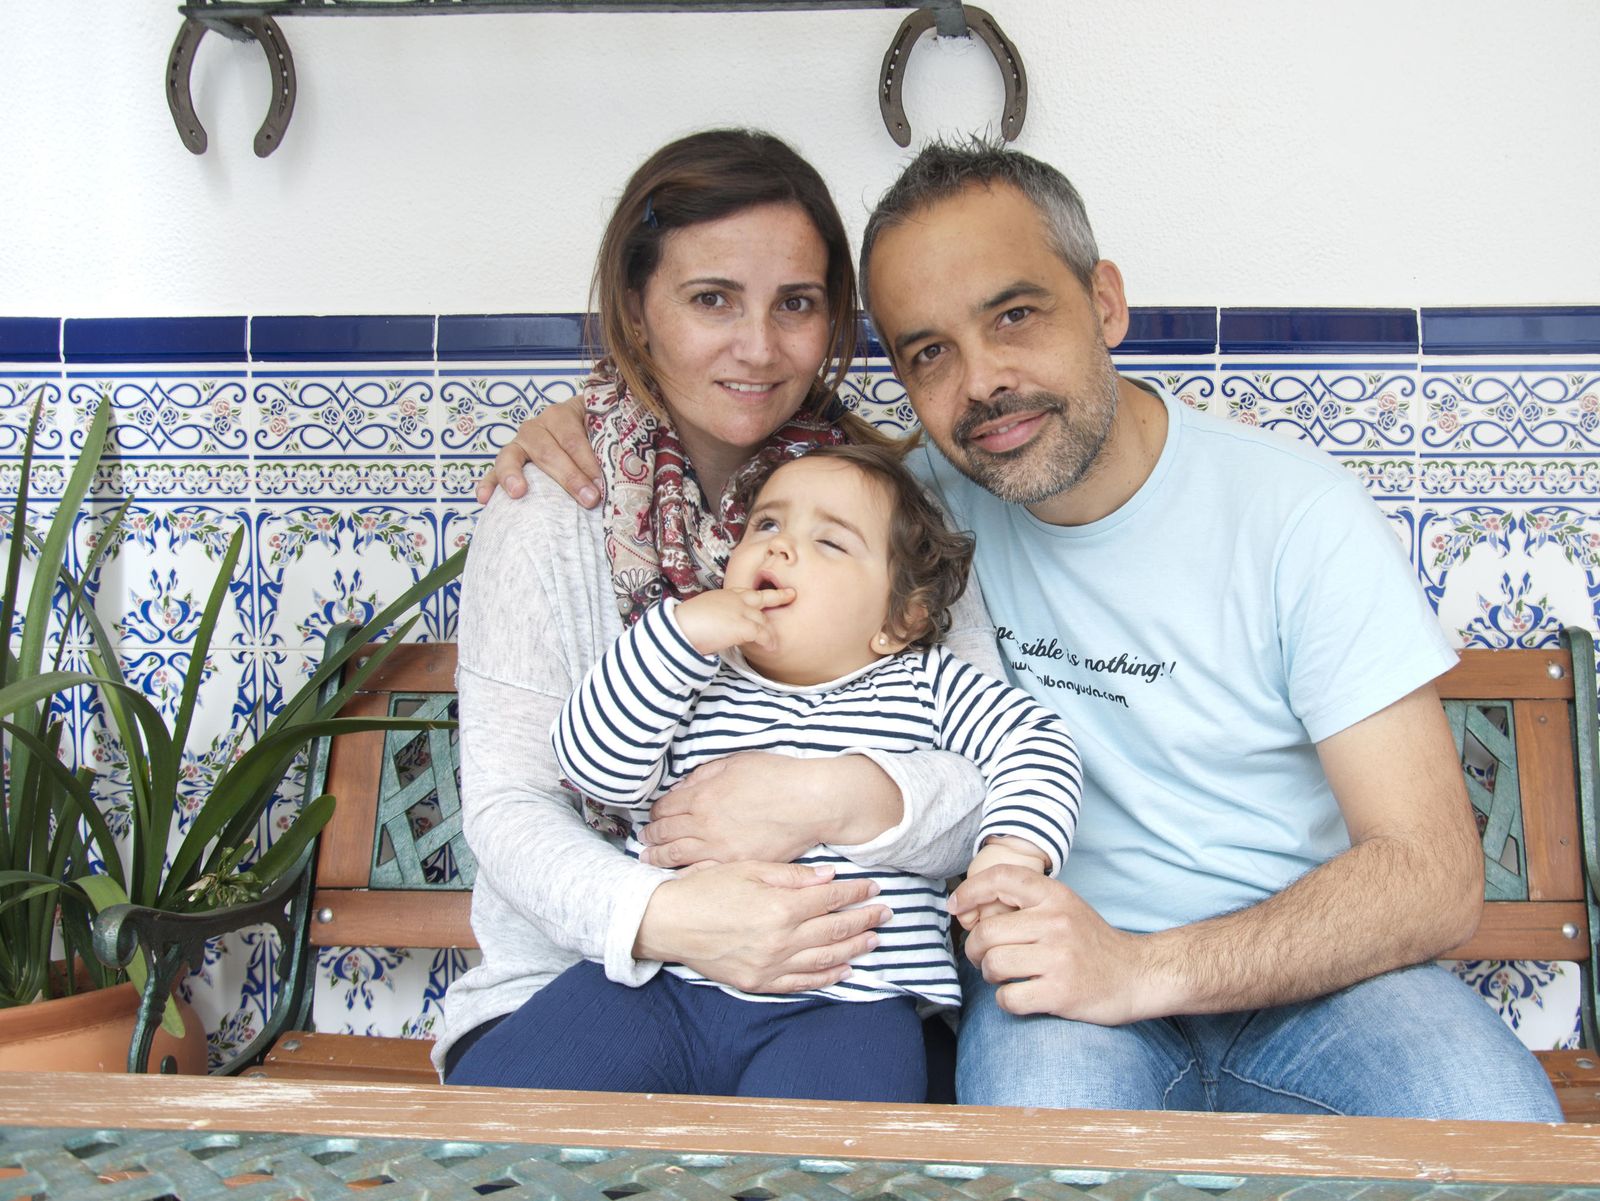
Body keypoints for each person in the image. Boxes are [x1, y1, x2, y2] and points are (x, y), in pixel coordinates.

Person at [487, 140, 1564, 1121]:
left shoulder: (1295, 512)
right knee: (1028, 1158)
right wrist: (571, 424)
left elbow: (1429, 872)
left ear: (1104, 301)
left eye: (1015, 316)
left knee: (1495, 1125)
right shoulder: (912, 518)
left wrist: (1143, 967)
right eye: (928, 353)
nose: (982, 384)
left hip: (1308, 973)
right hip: (1036, 977)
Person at [437, 129, 1008, 1092]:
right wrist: (675, 916)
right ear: (637, 306)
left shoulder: (893, 506)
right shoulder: (552, 506)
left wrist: (829, 796)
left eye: (796, 304)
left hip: (844, 987)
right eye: (712, 299)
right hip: (591, 983)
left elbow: (984, 774)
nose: (758, 346)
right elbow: (510, 805)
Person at [471, 445, 1082, 1100]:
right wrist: (673, 638)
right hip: (663, 983)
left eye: (829, 542)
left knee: (825, 1160)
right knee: (502, 1106)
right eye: (766, 525)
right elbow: (594, 767)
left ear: (898, 619)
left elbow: (1035, 740)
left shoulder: (928, 684)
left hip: (850, 1002)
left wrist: (1012, 851)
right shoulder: (690, 673)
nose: (781, 547)